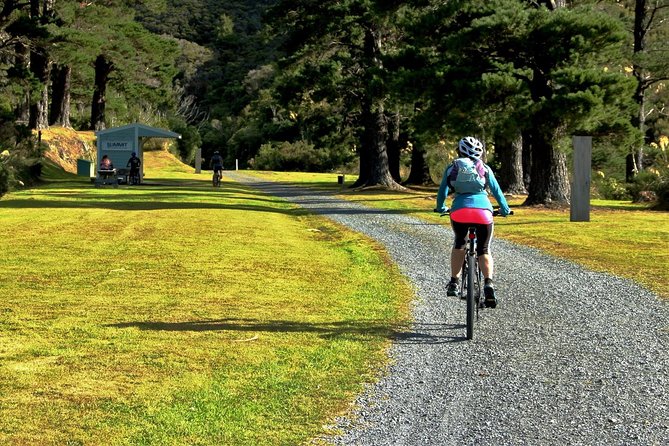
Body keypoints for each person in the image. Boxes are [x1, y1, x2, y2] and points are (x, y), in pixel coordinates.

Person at [434, 136, 511, 308]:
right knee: (484, 249)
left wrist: (441, 208)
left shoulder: (452, 168)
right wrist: (505, 210)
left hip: (459, 212)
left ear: (459, 151)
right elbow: (498, 192)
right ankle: (488, 284)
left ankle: (454, 281)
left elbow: (442, 193)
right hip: (483, 213)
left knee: (459, 243)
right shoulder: (485, 168)